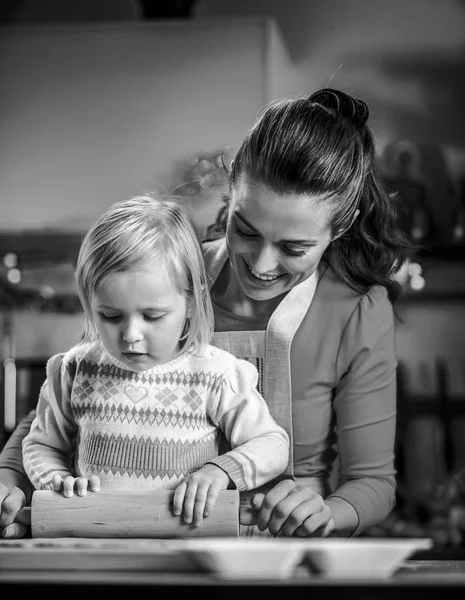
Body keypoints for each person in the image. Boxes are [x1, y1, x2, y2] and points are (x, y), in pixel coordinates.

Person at [0, 87, 413, 540]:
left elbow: (372, 484)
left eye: (294, 248)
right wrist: (8, 481)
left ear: (343, 225)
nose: (261, 265)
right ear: (231, 188)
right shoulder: (169, 277)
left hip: (285, 552)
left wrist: (326, 511)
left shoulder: (358, 310)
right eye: (246, 230)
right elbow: (74, 395)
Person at [16, 194, 290, 530]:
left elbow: (273, 444)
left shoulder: (215, 375)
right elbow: (41, 443)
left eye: (152, 316)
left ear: (191, 301)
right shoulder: (73, 370)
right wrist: (57, 481)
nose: (131, 334)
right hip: (95, 542)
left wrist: (221, 470)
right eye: (111, 315)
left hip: (186, 547)